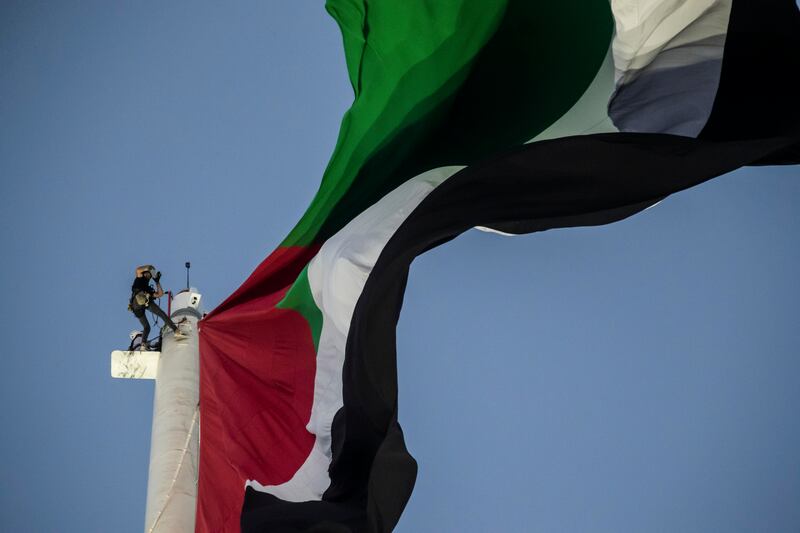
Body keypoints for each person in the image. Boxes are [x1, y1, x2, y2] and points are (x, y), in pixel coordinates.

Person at [129, 264, 184, 349]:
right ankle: (142, 298)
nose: (149, 276)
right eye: (148, 274)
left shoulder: (148, 288)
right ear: (144, 273)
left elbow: (160, 294)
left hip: (142, 304)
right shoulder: (140, 279)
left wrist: (157, 281)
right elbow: (138, 270)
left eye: (150, 275)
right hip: (137, 301)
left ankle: (143, 344)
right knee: (143, 298)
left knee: (149, 325)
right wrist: (150, 268)